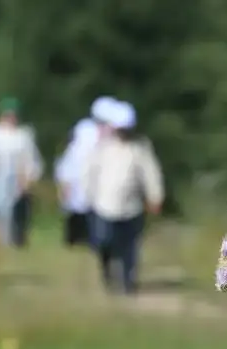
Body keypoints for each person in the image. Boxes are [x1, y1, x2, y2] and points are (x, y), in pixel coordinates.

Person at [84, 100, 164, 295]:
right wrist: (89, 196)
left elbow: (150, 173)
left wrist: (155, 196)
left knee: (129, 248)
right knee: (104, 243)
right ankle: (107, 272)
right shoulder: (102, 147)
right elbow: (90, 172)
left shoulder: (140, 148)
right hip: (104, 206)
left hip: (131, 208)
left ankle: (128, 283)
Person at [0, 97, 43, 248]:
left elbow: (32, 158)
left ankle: (16, 240)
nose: (11, 118)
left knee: (17, 212)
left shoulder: (24, 135)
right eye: (7, 115)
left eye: (13, 115)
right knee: (1, 211)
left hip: (18, 179)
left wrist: (29, 177)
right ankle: (3, 241)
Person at [55, 118, 100, 246]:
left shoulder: (75, 150)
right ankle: (77, 240)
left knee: (82, 216)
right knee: (79, 216)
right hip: (79, 190)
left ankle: (79, 239)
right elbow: (65, 171)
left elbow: (63, 171)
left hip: (85, 192)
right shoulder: (75, 150)